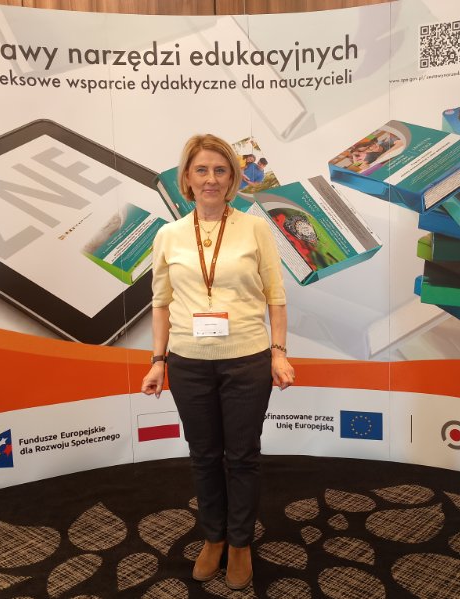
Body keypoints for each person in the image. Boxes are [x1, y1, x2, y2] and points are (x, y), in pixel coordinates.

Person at [141, 134, 294, 591]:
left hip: (246, 360)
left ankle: (240, 542)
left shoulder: (255, 229)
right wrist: (158, 361)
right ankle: (214, 537)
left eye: (220, 170)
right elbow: (161, 303)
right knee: (204, 456)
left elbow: (276, 296)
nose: (211, 179)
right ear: (186, 178)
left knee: (242, 457)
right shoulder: (168, 235)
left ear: (233, 178)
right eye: (201, 170)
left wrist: (278, 353)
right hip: (189, 363)